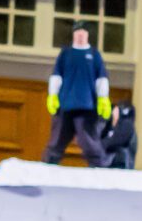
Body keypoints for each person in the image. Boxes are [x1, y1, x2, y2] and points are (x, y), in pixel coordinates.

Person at [44, 25, 113, 167]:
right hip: (65, 106)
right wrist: (53, 95)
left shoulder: (94, 55)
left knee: (89, 142)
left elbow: (101, 78)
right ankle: (46, 169)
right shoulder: (65, 53)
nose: (80, 35)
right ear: (74, 35)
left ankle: (100, 170)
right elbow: (57, 75)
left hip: (87, 107)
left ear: (87, 35)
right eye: (77, 33)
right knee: (56, 141)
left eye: (83, 33)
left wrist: (103, 98)